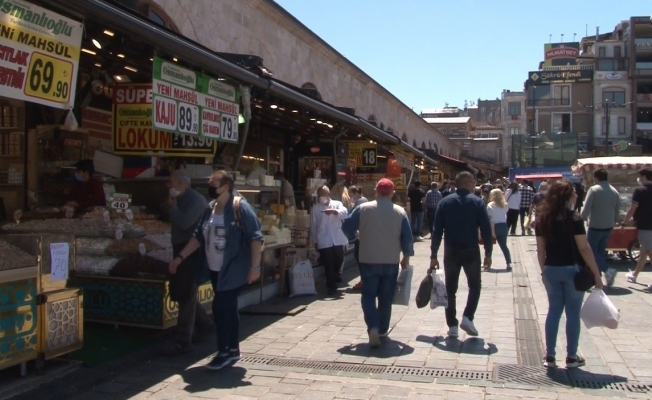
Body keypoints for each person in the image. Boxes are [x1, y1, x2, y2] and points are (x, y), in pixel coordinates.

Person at [168, 170, 263, 371]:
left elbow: (256, 238)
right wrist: (180, 257)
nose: (211, 187)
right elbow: (197, 237)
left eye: (214, 184)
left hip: (233, 268)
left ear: (225, 186)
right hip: (214, 269)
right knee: (228, 308)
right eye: (209, 183)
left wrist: (255, 266)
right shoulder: (209, 209)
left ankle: (224, 352)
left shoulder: (240, 208)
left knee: (220, 308)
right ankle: (233, 348)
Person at [536, 180, 603, 369]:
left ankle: (549, 356)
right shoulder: (574, 218)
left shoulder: (543, 218)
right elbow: (583, 247)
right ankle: (571, 356)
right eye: (573, 193)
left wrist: (544, 271)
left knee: (554, 311)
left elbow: (540, 251)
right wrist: (596, 273)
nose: (576, 195)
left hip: (551, 269)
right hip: (572, 270)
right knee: (573, 313)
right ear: (567, 196)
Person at [342, 178, 414, 347]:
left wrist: (356, 236)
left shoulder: (363, 208)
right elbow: (407, 238)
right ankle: (382, 329)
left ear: (375, 191)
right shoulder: (400, 212)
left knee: (368, 295)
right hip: (390, 260)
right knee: (386, 297)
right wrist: (406, 257)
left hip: (368, 259)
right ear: (392, 193)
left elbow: (346, 228)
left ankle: (372, 326)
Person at [430, 171, 493, 338]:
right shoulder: (477, 202)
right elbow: (485, 229)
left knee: (450, 289)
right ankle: (468, 317)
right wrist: (488, 252)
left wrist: (433, 254)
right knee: (475, 285)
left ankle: (452, 326)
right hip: (471, 249)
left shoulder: (445, 202)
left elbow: (436, 230)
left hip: (450, 250)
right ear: (467, 184)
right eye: (472, 182)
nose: (474, 185)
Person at [162, 170, 214, 355]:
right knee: (184, 292)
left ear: (182, 184)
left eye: (172, 182)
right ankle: (206, 324)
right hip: (179, 248)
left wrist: (173, 207)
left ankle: (183, 341)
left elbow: (184, 223)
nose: (169, 186)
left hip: (192, 250)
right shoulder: (178, 198)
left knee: (187, 293)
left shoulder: (196, 200)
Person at [581, 169, 620, 288]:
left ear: (596, 178)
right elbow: (617, 211)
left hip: (595, 226)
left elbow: (585, 210)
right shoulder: (614, 191)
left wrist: (581, 219)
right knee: (600, 252)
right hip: (609, 226)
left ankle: (607, 270)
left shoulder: (594, 190)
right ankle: (598, 277)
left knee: (592, 253)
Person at [310, 185, 349, 296]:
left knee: (339, 259)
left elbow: (345, 213)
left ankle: (335, 275)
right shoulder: (316, 208)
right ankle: (331, 286)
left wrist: (334, 212)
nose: (322, 196)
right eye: (320, 195)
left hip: (337, 238)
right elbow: (313, 225)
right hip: (323, 239)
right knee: (328, 263)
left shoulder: (337, 204)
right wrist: (314, 242)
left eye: (323, 194)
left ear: (329, 195)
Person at [623, 168, 652, 287]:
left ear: (644, 177)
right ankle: (634, 274)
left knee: (649, 252)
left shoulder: (639, 191)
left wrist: (624, 222)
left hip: (644, 225)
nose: (639, 179)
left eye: (640, 177)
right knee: (644, 251)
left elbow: (633, 208)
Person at [347, 186, 369, 290]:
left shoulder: (360, 202)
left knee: (360, 258)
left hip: (360, 235)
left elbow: (351, 219)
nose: (350, 197)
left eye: (350, 194)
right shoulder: (364, 201)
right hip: (364, 234)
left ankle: (364, 280)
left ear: (355, 193)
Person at [487, 188, 511, 271]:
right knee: (504, 246)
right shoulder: (505, 205)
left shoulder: (490, 205)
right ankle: (509, 263)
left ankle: (488, 263)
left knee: (489, 246)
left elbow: (489, 218)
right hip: (503, 226)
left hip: (493, 226)